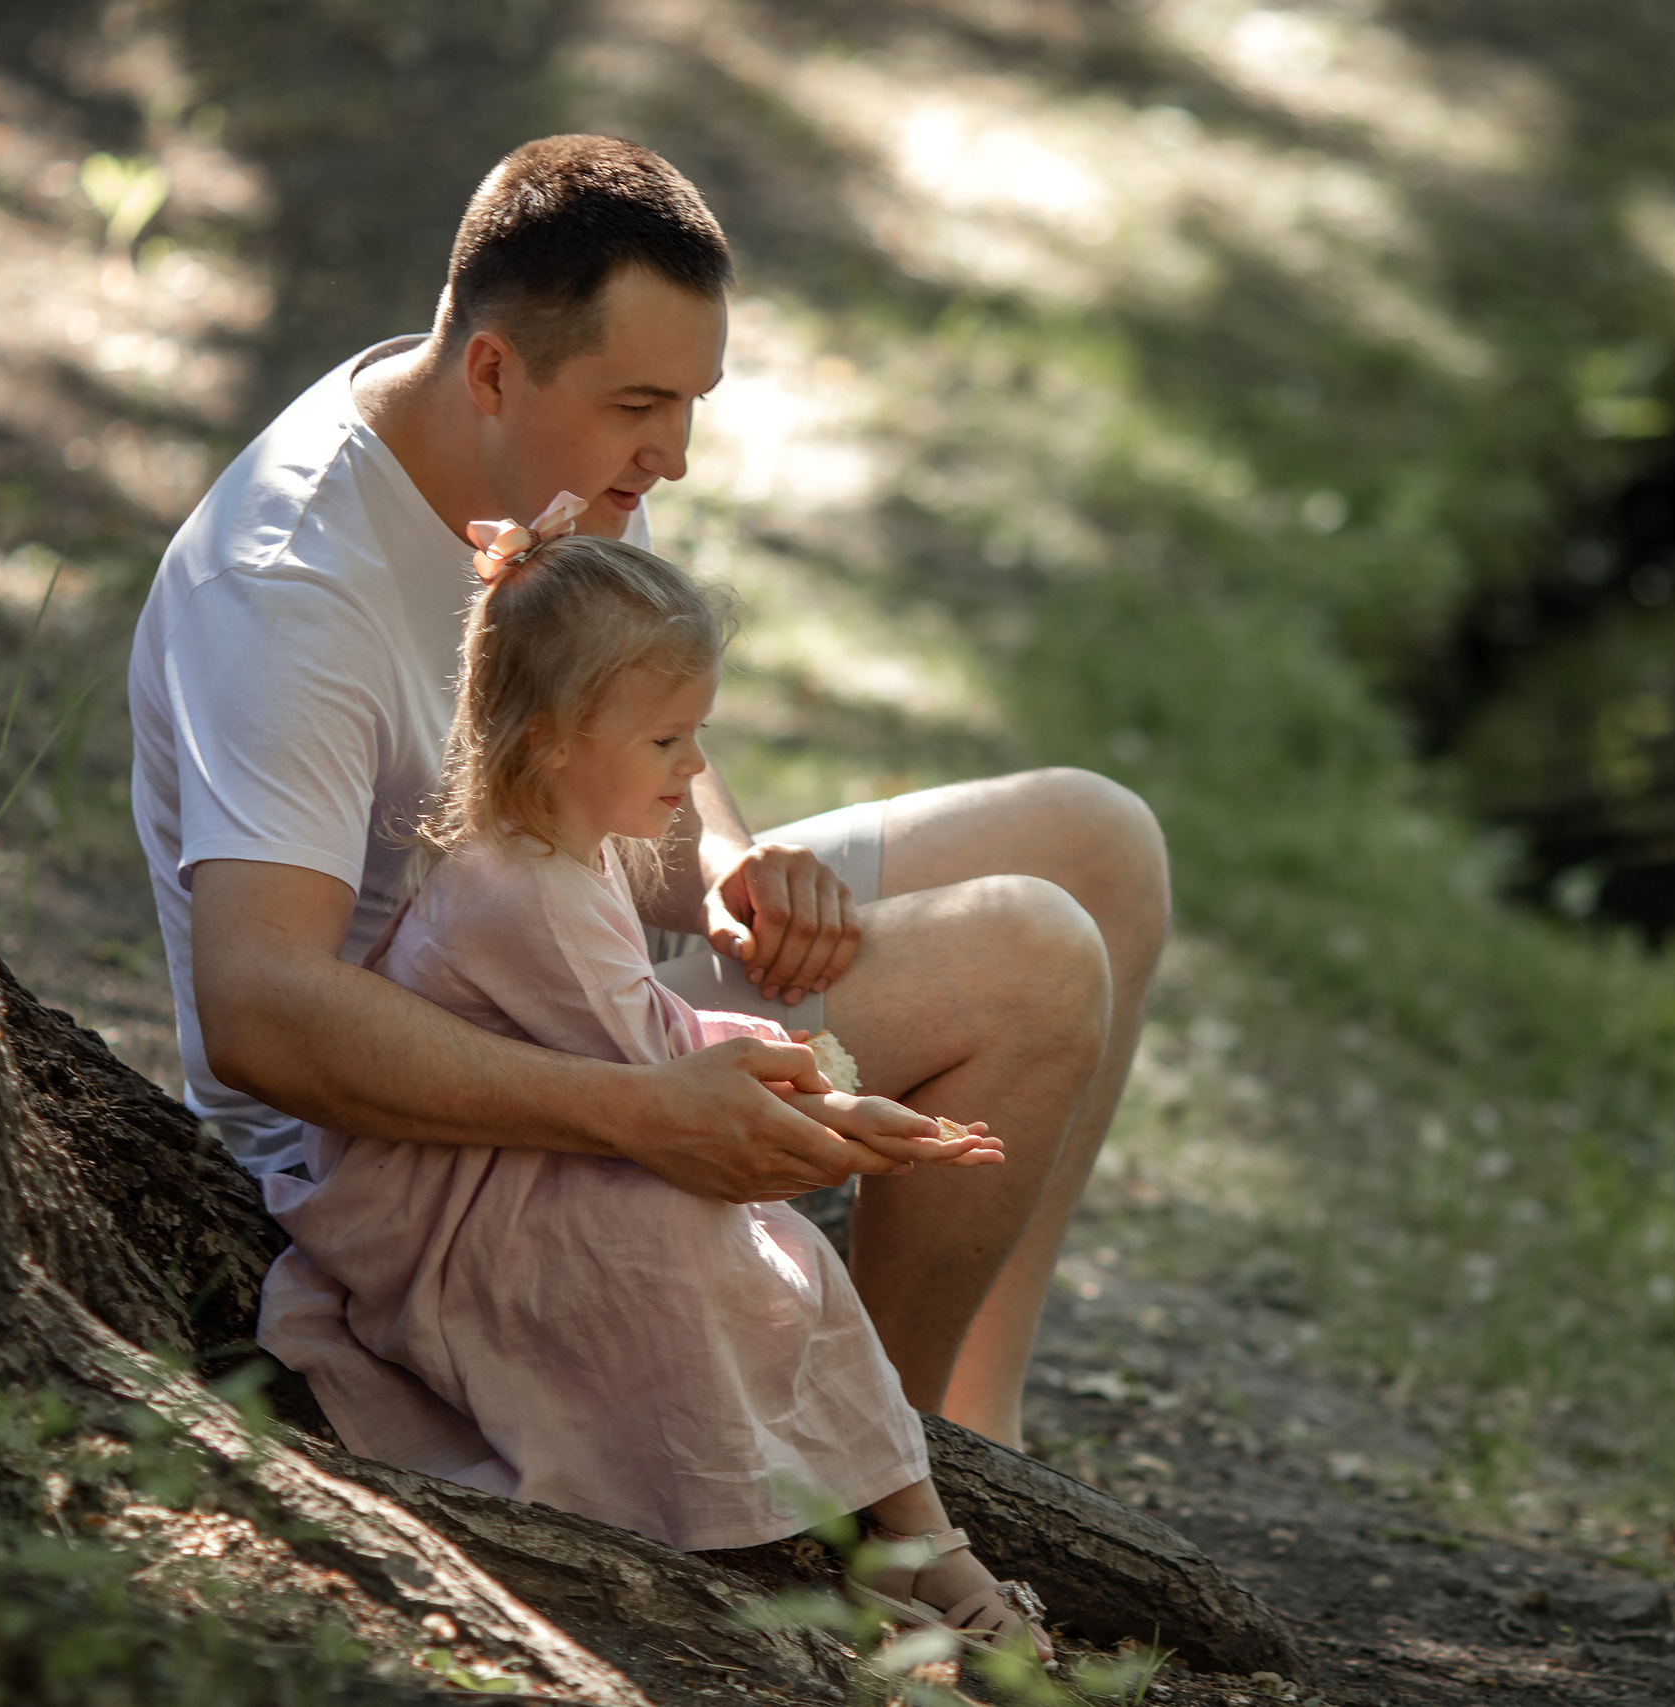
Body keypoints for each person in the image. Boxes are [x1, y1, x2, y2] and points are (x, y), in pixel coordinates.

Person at [126, 134, 1169, 1448]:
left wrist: (730, 865)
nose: (670, 453)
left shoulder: (528, 448)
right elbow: (261, 1011)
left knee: (1098, 841)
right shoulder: (290, 591)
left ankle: (977, 1427)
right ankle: (875, 1488)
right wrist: (643, 1112)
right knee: (1031, 954)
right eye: (640, 406)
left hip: (576, 951)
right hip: (406, 1137)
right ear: (496, 368)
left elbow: (626, 731)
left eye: (691, 403)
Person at [255, 523, 1049, 1658]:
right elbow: (664, 1068)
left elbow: (657, 1040)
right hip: (448, 1203)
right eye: (669, 739)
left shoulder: (562, 850)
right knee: (715, 1257)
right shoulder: (526, 894)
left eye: (696, 734)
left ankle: (905, 1534)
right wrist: (850, 1118)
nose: (693, 770)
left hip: (515, 1154)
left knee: (766, 1252)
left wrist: (825, 1097)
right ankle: (785, 1540)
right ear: (553, 740)